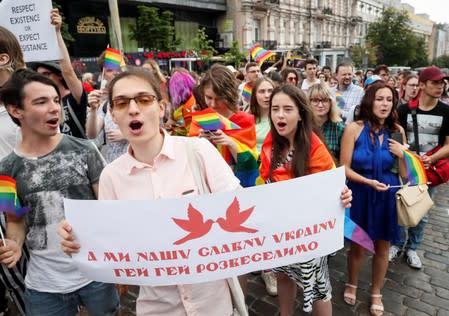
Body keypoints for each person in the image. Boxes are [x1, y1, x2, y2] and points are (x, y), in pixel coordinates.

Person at [59, 68, 242, 315]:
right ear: (112, 113)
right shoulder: (111, 177)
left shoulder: (199, 152)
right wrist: (80, 241)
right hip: (158, 307)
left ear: (161, 107)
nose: (133, 109)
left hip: (214, 305)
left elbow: (241, 214)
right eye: (122, 103)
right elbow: (111, 241)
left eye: (144, 99)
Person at [0, 68, 119, 315]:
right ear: (16, 110)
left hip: (95, 275)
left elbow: (109, 209)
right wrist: (13, 244)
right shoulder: (5, 170)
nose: (54, 108)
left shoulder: (85, 150)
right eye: (41, 102)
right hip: (44, 286)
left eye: (56, 100)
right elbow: (15, 219)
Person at [258, 84, 352, 316]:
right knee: (283, 274)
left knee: (318, 288)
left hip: (308, 236)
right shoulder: (271, 144)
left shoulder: (315, 149)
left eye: (288, 109)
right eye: (275, 108)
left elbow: (333, 189)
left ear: (301, 114)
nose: (280, 115)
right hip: (279, 231)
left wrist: (343, 195)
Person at [340, 81, 406, 316]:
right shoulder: (353, 129)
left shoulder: (397, 131)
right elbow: (344, 168)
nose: (385, 104)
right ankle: (352, 282)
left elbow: (406, 176)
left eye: (389, 100)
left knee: (382, 247)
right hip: (360, 193)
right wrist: (368, 182)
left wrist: (402, 155)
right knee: (358, 246)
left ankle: (376, 291)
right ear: (369, 101)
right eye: (380, 98)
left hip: (386, 196)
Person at [390, 66, 449, 269]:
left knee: (422, 211)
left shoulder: (446, 111)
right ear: (422, 85)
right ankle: (396, 244)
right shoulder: (404, 110)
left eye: (442, 83)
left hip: (429, 171)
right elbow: (395, 139)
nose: (440, 86)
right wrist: (403, 159)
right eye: (435, 82)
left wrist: (432, 159)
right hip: (406, 168)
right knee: (400, 206)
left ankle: (413, 247)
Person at [0, 25, 28, 316]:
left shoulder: (28, 97)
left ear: (3, 58)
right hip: (3, 195)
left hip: (29, 196)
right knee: (12, 274)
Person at [27, 9, 88, 139]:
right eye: (40, 76)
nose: (42, 80)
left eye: (46, 74)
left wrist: (57, 33)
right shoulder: (43, 103)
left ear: (59, 75)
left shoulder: (74, 97)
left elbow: (69, 72)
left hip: (79, 156)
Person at [198, 64, 259, 189]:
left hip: (238, 188)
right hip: (208, 188)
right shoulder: (201, 119)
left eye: (219, 98)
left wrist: (231, 144)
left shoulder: (244, 121)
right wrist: (200, 143)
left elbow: (252, 164)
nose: (213, 104)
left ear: (229, 94)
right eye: (209, 97)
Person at [85, 50, 127, 162]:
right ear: (104, 75)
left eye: (119, 68)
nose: (116, 72)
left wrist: (126, 135)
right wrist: (93, 109)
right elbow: (92, 134)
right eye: (109, 70)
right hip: (114, 168)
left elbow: (156, 130)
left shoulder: (139, 97)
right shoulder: (106, 105)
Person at [309, 83, 345, 161]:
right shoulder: (302, 128)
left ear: (331, 102)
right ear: (309, 103)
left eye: (325, 100)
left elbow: (344, 163)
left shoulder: (340, 128)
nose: (320, 105)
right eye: (315, 100)